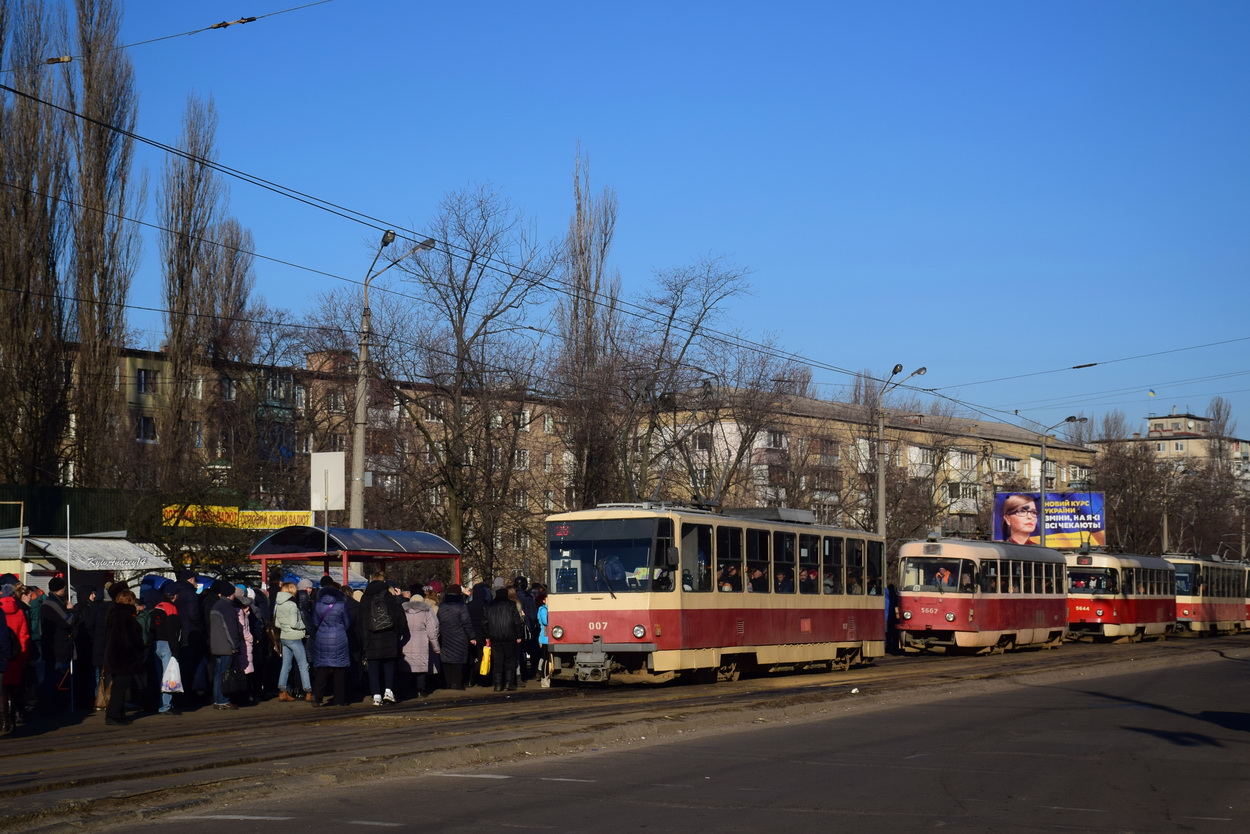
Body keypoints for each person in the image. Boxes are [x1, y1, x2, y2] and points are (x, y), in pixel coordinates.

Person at [358, 573, 407, 706]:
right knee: (389, 665)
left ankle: (376, 695)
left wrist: (364, 638)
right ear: (383, 581)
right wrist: (397, 633)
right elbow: (399, 617)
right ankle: (388, 692)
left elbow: (360, 620)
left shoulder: (365, 597)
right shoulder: (388, 596)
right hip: (389, 636)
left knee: (373, 666)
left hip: (371, 638)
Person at [103, 589, 145, 726]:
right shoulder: (126, 617)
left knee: (118, 685)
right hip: (124, 657)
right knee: (120, 687)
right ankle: (113, 714)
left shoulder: (113, 614)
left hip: (113, 655)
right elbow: (131, 640)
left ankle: (118, 713)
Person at [311, 577, 351, 707]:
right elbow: (347, 622)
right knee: (339, 670)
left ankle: (317, 697)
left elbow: (316, 622)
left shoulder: (318, 604)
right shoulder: (341, 605)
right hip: (339, 637)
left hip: (322, 637)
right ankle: (340, 699)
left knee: (322, 668)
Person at [39, 576, 75, 709]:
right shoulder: (53, 603)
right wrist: (70, 610)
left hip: (52, 645)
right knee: (54, 676)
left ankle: (49, 703)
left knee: (51, 675)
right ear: (60, 589)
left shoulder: (49, 602)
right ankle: (49, 704)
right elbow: (67, 621)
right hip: (56, 646)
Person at [1, 583, 32, 736]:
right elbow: (24, 636)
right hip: (16, 656)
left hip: (2, 656)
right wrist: (23, 655)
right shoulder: (19, 612)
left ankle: (4, 722)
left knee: (2, 691)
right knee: (15, 691)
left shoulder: (1, 612)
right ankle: (14, 718)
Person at [273, 582, 312, 702]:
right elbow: (294, 623)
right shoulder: (292, 605)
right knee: (303, 665)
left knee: (285, 665)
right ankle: (308, 691)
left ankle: (282, 691)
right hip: (294, 637)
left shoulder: (278, 605)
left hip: (284, 637)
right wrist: (304, 625)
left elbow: (276, 623)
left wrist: (285, 628)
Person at [207, 580, 242, 711]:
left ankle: (217, 699)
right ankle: (223, 700)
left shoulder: (216, 605)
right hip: (226, 645)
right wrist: (235, 645)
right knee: (224, 675)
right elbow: (230, 628)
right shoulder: (227, 607)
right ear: (230, 594)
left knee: (217, 674)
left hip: (216, 645)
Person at [400, 587, 440, 698]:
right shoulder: (426, 610)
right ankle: (420, 689)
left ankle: (407, 689)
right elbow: (432, 630)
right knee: (421, 667)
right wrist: (436, 647)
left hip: (406, 641)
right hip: (422, 642)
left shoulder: (403, 609)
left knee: (406, 667)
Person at [437, 584, 477, 691]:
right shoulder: (461, 606)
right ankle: (457, 684)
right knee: (458, 661)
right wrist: (472, 636)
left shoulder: (442, 606)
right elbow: (466, 623)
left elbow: (438, 620)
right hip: (459, 636)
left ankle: (447, 683)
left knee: (446, 660)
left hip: (445, 635)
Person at [484, 587, 523, 691]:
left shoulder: (489, 605)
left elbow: (484, 623)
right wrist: (519, 635)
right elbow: (516, 622)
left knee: (497, 661)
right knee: (509, 660)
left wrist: (487, 636)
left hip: (495, 637)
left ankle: (497, 685)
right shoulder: (511, 605)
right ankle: (508, 683)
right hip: (509, 636)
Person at [150, 584, 181, 715]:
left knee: (159, 676)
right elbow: (172, 630)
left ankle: (160, 703)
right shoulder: (172, 608)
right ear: (175, 596)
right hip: (167, 644)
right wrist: (175, 649)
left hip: (156, 643)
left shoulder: (157, 607)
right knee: (168, 676)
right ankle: (166, 706)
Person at [535, 590, 550, 687]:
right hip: (545, 637)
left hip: (545, 637)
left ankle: (540, 672)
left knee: (544, 657)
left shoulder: (543, 609)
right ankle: (544, 678)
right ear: (544, 600)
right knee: (545, 658)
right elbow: (545, 621)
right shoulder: (543, 609)